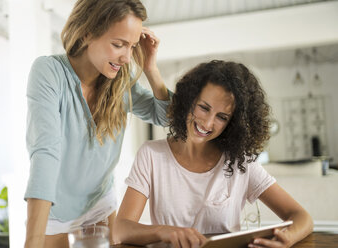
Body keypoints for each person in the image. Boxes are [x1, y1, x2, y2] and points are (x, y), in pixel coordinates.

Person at [114, 60, 313, 248]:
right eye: (203, 107)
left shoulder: (240, 162)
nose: (208, 123)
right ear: (188, 101)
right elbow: (121, 228)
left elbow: (301, 216)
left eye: (222, 117)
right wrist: (164, 232)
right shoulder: (151, 155)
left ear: (232, 123)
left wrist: (286, 238)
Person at [24, 0, 171, 247]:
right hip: (55, 212)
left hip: (99, 205)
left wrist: (150, 68)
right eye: (118, 44)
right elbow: (45, 152)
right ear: (87, 32)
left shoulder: (121, 82)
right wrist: (31, 242)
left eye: (132, 47)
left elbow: (166, 117)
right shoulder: (49, 72)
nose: (126, 57)